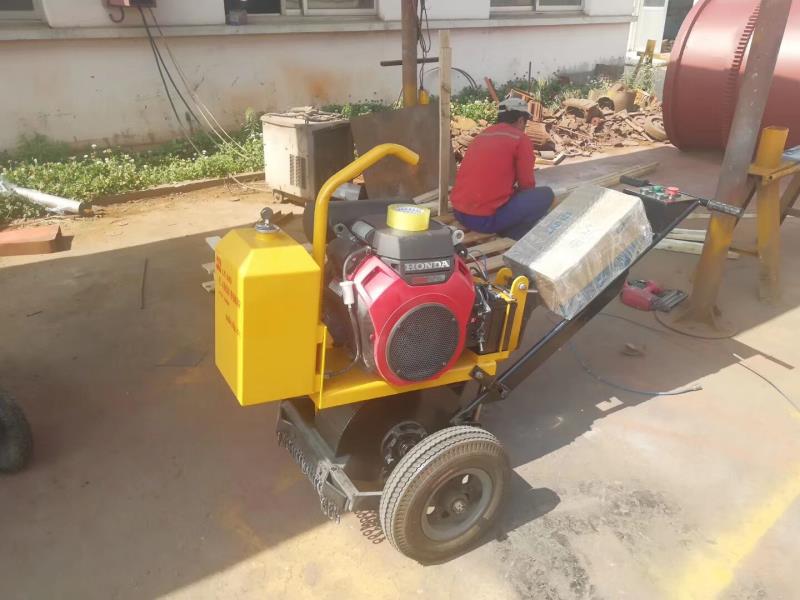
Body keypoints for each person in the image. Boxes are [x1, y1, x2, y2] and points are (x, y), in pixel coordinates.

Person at [451, 97, 555, 240]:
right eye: (525, 122)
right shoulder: (520, 139)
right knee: (545, 194)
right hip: (483, 220)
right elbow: (527, 185)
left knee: (515, 194)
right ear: (521, 120)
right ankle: (513, 234)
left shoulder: (482, 135)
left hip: (459, 212)